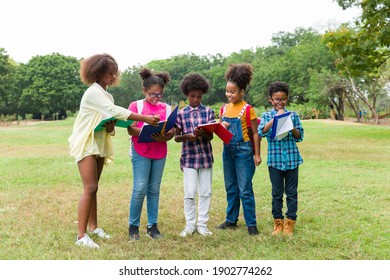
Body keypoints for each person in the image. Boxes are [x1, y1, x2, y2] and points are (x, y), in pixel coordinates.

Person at [68, 54, 160, 249]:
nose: (113, 76)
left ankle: (93, 228)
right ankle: (81, 236)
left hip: (98, 144)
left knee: (95, 187)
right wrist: (144, 118)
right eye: (110, 73)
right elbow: (115, 110)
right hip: (86, 143)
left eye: (114, 73)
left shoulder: (106, 94)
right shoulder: (93, 92)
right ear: (98, 73)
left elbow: (109, 125)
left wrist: (110, 126)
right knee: (90, 187)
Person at [127, 68, 175, 241]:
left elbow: (172, 130)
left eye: (159, 94)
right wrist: (145, 131)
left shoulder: (167, 108)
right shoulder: (136, 106)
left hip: (159, 151)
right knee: (140, 187)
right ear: (144, 91)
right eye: (152, 94)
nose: (156, 98)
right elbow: (130, 128)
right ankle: (133, 227)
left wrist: (165, 135)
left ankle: (152, 226)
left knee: (154, 189)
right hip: (141, 150)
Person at [216, 63, 262, 236]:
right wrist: (221, 125)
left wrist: (257, 154)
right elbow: (219, 131)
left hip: (244, 151)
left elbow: (256, 134)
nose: (229, 94)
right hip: (227, 151)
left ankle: (251, 224)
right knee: (231, 187)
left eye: (233, 92)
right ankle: (231, 220)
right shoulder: (223, 109)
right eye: (227, 91)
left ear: (242, 91)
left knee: (245, 188)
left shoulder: (248, 109)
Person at [258, 81, 304, 237]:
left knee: (291, 193)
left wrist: (291, 126)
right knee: (276, 193)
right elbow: (261, 132)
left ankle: (290, 223)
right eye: (276, 99)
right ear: (271, 100)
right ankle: (278, 223)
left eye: (283, 99)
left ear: (287, 99)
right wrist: (275, 119)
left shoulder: (293, 115)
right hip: (275, 162)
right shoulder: (266, 115)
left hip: (292, 160)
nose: (280, 102)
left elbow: (300, 136)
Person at [175, 73, 215, 237]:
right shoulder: (181, 114)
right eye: (193, 96)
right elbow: (177, 138)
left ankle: (202, 225)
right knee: (190, 192)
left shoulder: (209, 112)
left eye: (199, 96)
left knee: (205, 192)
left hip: (205, 157)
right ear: (187, 95)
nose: (196, 99)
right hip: (189, 158)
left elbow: (211, 136)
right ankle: (190, 225)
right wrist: (188, 136)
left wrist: (202, 133)